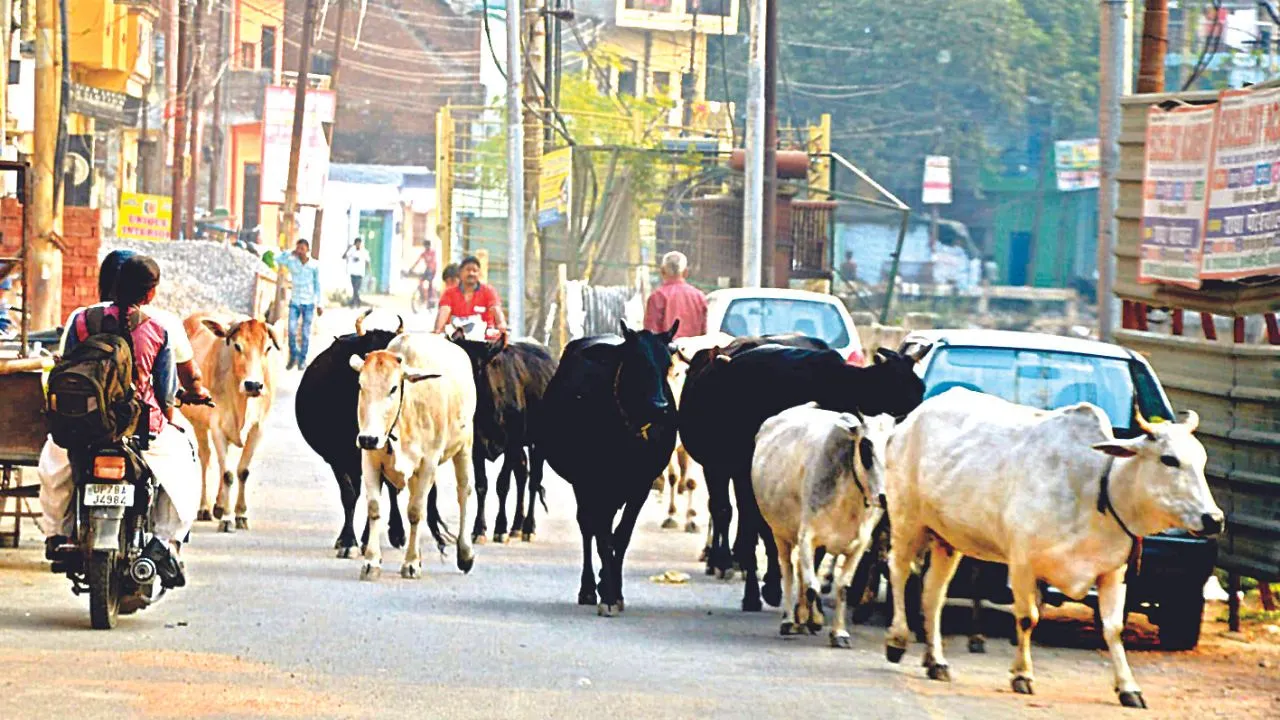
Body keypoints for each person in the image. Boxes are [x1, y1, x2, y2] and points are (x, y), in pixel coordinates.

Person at [39, 255, 210, 588]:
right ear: (149, 294)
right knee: (186, 466)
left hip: (85, 426)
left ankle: (57, 534)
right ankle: (164, 541)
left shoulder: (81, 320)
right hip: (141, 431)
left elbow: (67, 368)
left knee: (53, 463)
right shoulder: (159, 328)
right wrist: (170, 417)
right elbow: (165, 392)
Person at [274, 239, 323, 370]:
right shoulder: (292, 261)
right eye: (298, 248)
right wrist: (290, 252)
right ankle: (293, 356)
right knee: (291, 331)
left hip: (309, 303)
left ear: (308, 250)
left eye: (302, 249)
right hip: (295, 301)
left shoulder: (314, 265)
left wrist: (320, 304)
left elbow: (317, 285)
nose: (300, 251)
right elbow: (276, 259)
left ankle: (302, 360)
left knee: (306, 333)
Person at [433, 255, 507, 338]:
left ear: (479, 273)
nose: (471, 273)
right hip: (457, 341)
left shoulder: (488, 291)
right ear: (460, 272)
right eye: (468, 270)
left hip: (484, 342)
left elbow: (496, 310)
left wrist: (502, 327)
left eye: (475, 270)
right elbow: (444, 311)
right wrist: (437, 331)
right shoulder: (449, 293)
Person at [644, 251, 706, 339]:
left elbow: (650, 334)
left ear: (662, 271)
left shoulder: (657, 297)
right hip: (694, 351)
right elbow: (704, 333)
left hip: (667, 351)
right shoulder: (699, 297)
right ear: (685, 272)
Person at [407, 241, 439, 307]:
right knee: (420, 281)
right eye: (425, 246)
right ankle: (422, 296)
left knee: (430, 283)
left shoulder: (433, 253)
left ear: (429, 246)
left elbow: (433, 262)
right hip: (427, 270)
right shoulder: (423, 254)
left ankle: (430, 300)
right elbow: (417, 261)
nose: (426, 247)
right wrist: (412, 268)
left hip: (433, 270)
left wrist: (431, 269)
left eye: (427, 246)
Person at [342, 238, 370, 308]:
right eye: (357, 243)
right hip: (353, 273)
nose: (358, 245)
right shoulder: (352, 251)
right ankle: (356, 302)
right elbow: (344, 257)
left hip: (360, 273)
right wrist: (348, 249)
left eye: (359, 243)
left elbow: (368, 261)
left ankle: (354, 302)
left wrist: (369, 271)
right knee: (355, 288)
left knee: (356, 289)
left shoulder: (364, 251)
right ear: (355, 244)